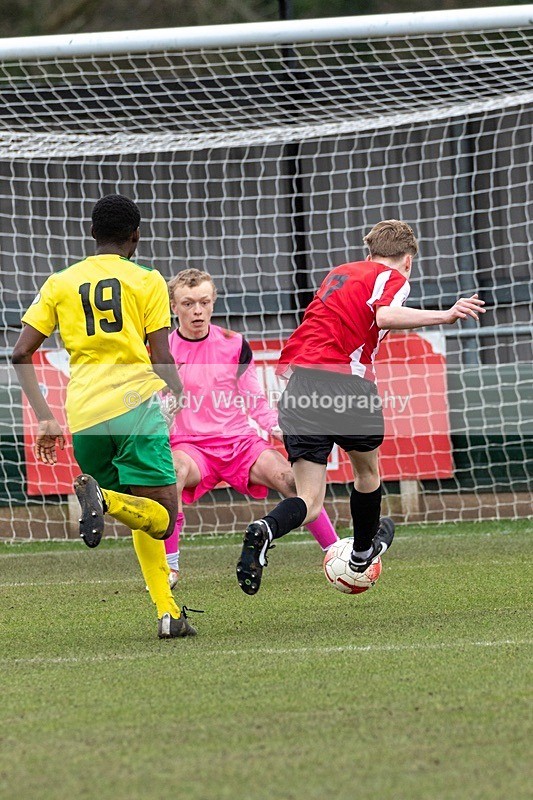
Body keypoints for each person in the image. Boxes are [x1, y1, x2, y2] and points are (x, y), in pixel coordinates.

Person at [236, 219, 486, 594]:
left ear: (368, 253)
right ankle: (362, 553)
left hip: (301, 384)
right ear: (407, 260)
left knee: (310, 501)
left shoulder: (338, 272)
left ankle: (265, 529)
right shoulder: (394, 278)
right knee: (367, 475)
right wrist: (445, 315)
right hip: (348, 387)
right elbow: (385, 316)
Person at [11, 194, 198, 638]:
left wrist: (45, 419)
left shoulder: (59, 282)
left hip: (86, 417)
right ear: (135, 236)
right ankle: (105, 499)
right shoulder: (147, 279)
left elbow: (20, 352)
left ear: (92, 234)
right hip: (135, 407)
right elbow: (159, 354)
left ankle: (168, 614)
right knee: (164, 517)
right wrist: (178, 389)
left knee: (141, 515)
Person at [161, 268, 338, 586]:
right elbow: (152, 402)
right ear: (174, 306)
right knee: (170, 475)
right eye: (188, 303)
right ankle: (169, 567)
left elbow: (255, 400)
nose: (197, 311)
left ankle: (336, 553)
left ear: (213, 301)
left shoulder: (234, 344)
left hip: (240, 443)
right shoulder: (162, 351)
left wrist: (278, 427)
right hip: (191, 447)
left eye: (203, 302)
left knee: (292, 481)